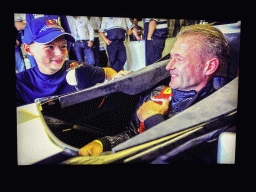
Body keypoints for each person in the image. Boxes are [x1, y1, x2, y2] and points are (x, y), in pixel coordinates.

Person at [79, 24, 229, 156]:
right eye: (171, 57)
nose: (169, 66)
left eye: (180, 59)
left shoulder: (218, 115)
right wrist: (103, 143)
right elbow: (133, 133)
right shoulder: (158, 93)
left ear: (209, 66)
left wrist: (153, 118)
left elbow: (185, 158)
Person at [16, 16, 130, 107]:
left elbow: (106, 71)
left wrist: (116, 76)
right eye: (50, 47)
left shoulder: (78, 68)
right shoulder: (19, 84)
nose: (60, 54)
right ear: (28, 49)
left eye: (63, 46)